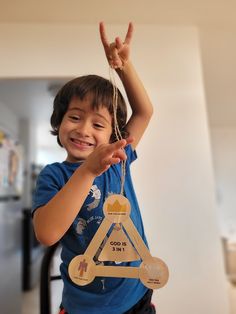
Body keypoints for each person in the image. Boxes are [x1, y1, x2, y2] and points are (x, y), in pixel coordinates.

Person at [32, 22, 154, 314]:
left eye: (98, 124)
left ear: (113, 135)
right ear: (59, 122)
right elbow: (47, 234)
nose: (84, 130)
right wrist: (87, 171)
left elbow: (144, 111)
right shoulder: (54, 175)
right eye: (74, 117)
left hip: (137, 294)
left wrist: (124, 67)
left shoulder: (116, 161)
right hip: (87, 306)